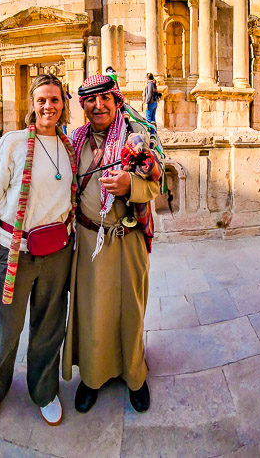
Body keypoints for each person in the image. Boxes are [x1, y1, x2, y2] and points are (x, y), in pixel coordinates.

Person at [0, 74, 77, 426]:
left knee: (50, 325)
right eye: (41, 100)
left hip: (57, 251)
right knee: (9, 324)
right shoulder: (13, 143)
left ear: (63, 104)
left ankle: (44, 390)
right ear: (31, 105)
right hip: (14, 249)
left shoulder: (70, 147)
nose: (48, 106)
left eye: (54, 99)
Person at [62, 74, 162, 414]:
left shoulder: (137, 138)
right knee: (93, 311)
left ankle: (135, 377)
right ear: (83, 105)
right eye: (91, 99)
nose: (98, 105)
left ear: (116, 100)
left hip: (129, 237)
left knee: (131, 310)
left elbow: (155, 187)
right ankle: (92, 377)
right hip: (90, 239)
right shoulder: (73, 140)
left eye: (105, 97)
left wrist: (130, 183)